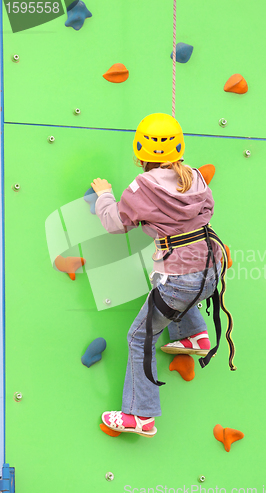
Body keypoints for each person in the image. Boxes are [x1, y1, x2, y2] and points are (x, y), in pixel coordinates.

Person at [91, 113, 224, 437]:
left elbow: (115, 223)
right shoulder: (194, 176)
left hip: (181, 279)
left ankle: (140, 415)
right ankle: (194, 335)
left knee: (140, 337)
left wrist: (105, 194)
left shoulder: (141, 187)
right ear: (178, 147)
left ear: (140, 153)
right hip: (211, 268)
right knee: (166, 283)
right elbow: (208, 209)